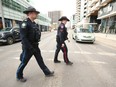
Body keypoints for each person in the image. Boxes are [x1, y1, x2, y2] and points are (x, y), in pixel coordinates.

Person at [16, 6, 54, 82]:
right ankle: (19, 75)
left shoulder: (34, 23)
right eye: (35, 13)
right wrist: (30, 48)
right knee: (24, 62)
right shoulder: (25, 23)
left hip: (35, 46)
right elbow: (23, 38)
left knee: (40, 60)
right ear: (30, 13)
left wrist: (34, 47)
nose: (36, 14)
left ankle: (47, 72)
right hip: (28, 47)